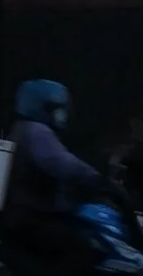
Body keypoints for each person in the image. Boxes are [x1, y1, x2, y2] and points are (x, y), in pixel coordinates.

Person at [6, 75, 101, 244]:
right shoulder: (37, 131)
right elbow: (62, 163)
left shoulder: (22, 128)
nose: (63, 115)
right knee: (86, 242)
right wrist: (95, 176)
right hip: (32, 214)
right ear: (45, 108)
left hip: (24, 211)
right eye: (59, 109)